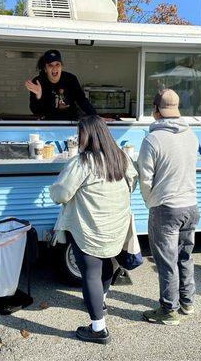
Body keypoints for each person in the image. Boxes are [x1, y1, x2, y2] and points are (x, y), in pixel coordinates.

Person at [50, 115, 137, 344]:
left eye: (80, 134)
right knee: (107, 264)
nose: (78, 138)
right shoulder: (121, 157)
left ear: (87, 135)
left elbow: (61, 194)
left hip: (89, 229)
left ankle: (98, 329)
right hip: (116, 226)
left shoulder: (81, 162)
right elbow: (132, 183)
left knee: (90, 273)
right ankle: (102, 301)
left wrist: (52, 189)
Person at [137, 88, 200, 326]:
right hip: (191, 206)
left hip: (166, 208)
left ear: (155, 110)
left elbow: (145, 179)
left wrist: (150, 203)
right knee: (185, 256)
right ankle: (187, 302)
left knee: (166, 261)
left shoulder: (152, 139)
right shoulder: (191, 136)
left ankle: (168, 310)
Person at [25, 49, 96, 120]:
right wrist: (38, 96)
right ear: (45, 69)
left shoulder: (71, 79)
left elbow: (82, 100)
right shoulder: (38, 82)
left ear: (61, 66)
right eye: (50, 65)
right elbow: (36, 111)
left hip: (70, 123)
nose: (54, 68)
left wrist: (95, 117)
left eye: (57, 64)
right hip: (48, 124)